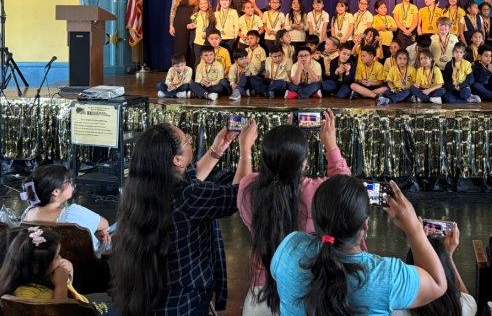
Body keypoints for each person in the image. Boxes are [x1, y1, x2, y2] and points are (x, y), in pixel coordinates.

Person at [112, 120, 257, 315]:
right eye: (187, 140)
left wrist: (217, 150)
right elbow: (238, 195)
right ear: (177, 160)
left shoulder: (139, 189)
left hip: (148, 295)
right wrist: (245, 150)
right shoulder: (188, 196)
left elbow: (189, 176)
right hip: (185, 302)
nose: (191, 141)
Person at [270, 176, 448, 314]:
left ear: (315, 217)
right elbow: (438, 284)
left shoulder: (291, 247)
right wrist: (414, 229)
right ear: (365, 225)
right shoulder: (385, 277)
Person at [237, 110, 350, 316]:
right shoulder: (315, 192)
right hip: (303, 293)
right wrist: (331, 145)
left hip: (260, 297)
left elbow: (244, 182)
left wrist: (245, 150)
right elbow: (344, 189)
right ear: (303, 163)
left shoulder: (248, 189)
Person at [0, 226, 102, 308]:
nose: (61, 258)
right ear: (37, 267)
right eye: (57, 256)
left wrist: (68, 276)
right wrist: (61, 285)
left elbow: (70, 293)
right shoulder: (27, 296)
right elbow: (60, 311)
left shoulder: (42, 276)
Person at [21, 165, 111, 255]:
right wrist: (100, 231)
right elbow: (105, 224)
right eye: (68, 181)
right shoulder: (73, 213)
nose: (72, 183)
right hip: (85, 262)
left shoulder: (28, 213)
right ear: (56, 191)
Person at [394, 227, 477, 316]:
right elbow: (466, 296)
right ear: (446, 269)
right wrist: (448, 256)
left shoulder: (397, 309)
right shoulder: (466, 306)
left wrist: (416, 243)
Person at [169, 0, 202, 66]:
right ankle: (180, 70)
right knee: (181, 48)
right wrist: (171, 25)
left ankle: (192, 71)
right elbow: (173, 11)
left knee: (192, 48)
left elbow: (203, 7)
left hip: (194, 25)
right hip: (180, 25)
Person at [188, 0, 215, 65]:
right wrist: (189, 26)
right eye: (201, 3)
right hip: (197, 41)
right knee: (198, 60)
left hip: (207, 41)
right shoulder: (195, 15)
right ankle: (197, 72)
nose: (203, 5)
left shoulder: (211, 16)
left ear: (208, 4)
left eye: (205, 3)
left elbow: (212, 29)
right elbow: (189, 25)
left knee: (208, 60)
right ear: (198, 5)